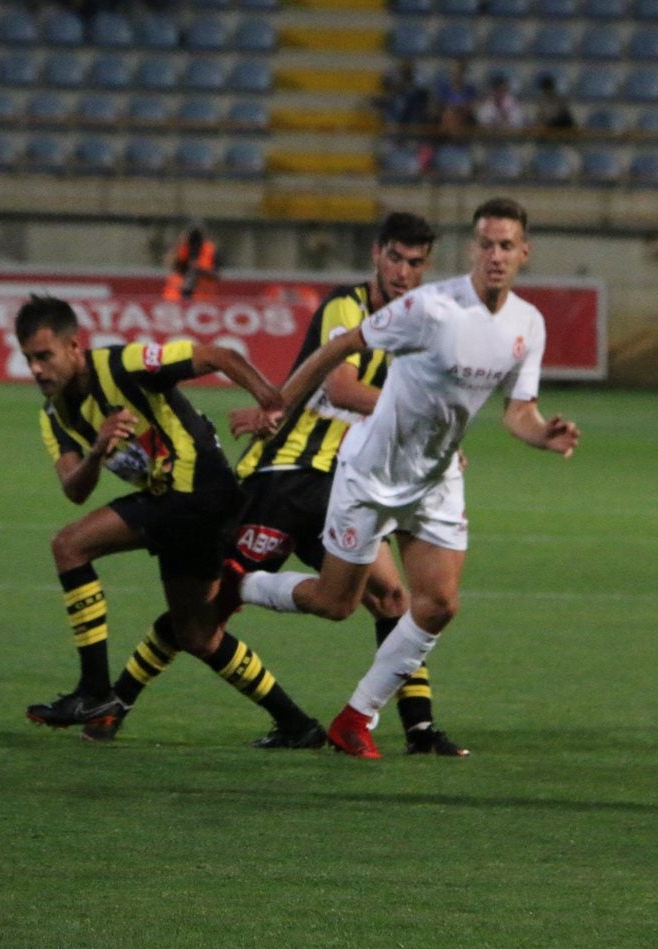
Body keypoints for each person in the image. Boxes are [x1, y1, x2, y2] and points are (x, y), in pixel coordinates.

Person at [222, 198, 580, 759]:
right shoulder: (431, 307)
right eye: (486, 244)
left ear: (524, 253)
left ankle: (355, 718)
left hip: (436, 477)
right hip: (371, 471)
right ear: (471, 249)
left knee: (436, 603)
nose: (495, 255)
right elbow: (341, 347)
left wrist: (542, 435)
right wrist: (276, 403)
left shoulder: (527, 325)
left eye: (506, 246)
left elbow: (518, 411)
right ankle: (237, 585)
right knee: (336, 603)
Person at [128, 213, 467, 755]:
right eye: (396, 258)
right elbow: (341, 385)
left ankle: (420, 729)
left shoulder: (421, 323)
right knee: (207, 605)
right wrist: (424, 422)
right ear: (376, 254)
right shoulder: (346, 307)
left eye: (416, 263)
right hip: (286, 472)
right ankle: (116, 697)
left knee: (391, 598)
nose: (404, 272)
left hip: (349, 482)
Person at [17, 295, 318, 745]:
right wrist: (98, 449)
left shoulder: (125, 364)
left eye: (45, 356)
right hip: (177, 505)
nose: (38, 369)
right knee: (195, 633)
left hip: (203, 489)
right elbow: (74, 489)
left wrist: (271, 404)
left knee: (69, 546)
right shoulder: (54, 416)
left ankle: (96, 692)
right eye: (29, 359)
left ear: (74, 348)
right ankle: (298, 725)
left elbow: (219, 355)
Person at [161, 225, 218, 302]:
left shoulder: (210, 251)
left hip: (201, 295)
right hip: (178, 296)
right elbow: (174, 266)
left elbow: (215, 274)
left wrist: (200, 270)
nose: (194, 245)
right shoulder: (182, 248)